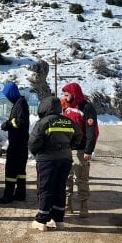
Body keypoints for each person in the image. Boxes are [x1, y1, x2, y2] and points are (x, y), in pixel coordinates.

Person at [28, 96, 81, 231]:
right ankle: (58, 219)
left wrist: (38, 152)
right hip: (65, 159)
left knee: (45, 188)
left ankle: (41, 220)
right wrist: (68, 147)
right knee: (60, 188)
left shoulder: (44, 122)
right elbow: (79, 136)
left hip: (47, 160)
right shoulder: (68, 121)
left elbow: (33, 142)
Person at [61, 82, 98, 217]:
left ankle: (83, 206)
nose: (65, 97)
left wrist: (88, 150)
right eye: (64, 95)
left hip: (81, 150)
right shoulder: (66, 107)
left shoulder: (87, 108)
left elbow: (91, 131)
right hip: (67, 150)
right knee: (66, 178)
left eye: (67, 95)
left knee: (81, 179)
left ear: (74, 94)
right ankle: (67, 205)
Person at [0, 81, 30, 204]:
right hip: (20, 143)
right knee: (20, 170)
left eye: (8, 95)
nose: (8, 98)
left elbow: (20, 122)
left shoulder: (20, 104)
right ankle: (20, 193)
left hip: (17, 143)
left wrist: (7, 124)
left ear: (12, 93)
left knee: (11, 169)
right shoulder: (19, 103)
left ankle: (8, 195)